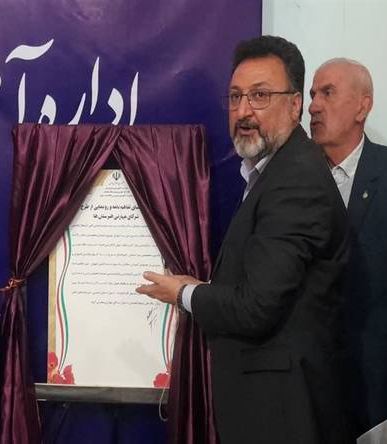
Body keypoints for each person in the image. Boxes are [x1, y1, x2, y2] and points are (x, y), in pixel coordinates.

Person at [136, 36, 350, 444]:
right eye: (235, 97)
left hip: (283, 415)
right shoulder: (271, 173)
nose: (244, 111)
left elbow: (256, 308)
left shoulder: (295, 180)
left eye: (260, 96)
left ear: (295, 105)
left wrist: (184, 293)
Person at [309, 58, 387, 441]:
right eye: (312, 94)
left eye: (327, 93)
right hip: (306, 392)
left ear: (363, 106)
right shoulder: (292, 180)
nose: (313, 106)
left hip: (378, 394)